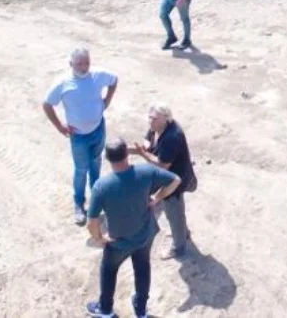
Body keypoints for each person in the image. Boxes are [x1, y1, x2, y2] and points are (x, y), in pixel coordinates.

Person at [84, 138, 181, 318]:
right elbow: (175, 180)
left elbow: (91, 222)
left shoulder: (101, 186)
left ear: (108, 159)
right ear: (127, 154)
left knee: (108, 270)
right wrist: (156, 198)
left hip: (118, 242)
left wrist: (99, 238)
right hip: (145, 235)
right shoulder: (146, 171)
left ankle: (105, 309)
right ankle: (141, 310)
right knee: (142, 267)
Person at [42, 47, 120, 226]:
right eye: (79, 64)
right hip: (78, 136)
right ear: (70, 64)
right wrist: (59, 126)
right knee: (81, 170)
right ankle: (78, 204)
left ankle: (97, 199)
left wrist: (107, 100)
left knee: (96, 164)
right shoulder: (63, 83)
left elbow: (114, 80)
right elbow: (47, 104)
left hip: (98, 129)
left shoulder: (98, 75)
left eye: (87, 63)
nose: (84, 67)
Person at [132, 104, 196, 259]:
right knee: (174, 213)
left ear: (166, 119)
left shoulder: (172, 137)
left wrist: (143, 154)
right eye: (149, 117)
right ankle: (183, 233)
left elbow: (162, 165)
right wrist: (138, 149)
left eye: (154, 119)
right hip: (164, 178)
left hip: (175, 182)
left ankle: (178, 247)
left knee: (174, 213)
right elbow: (147, 143)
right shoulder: (156, 128)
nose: (150, 121)